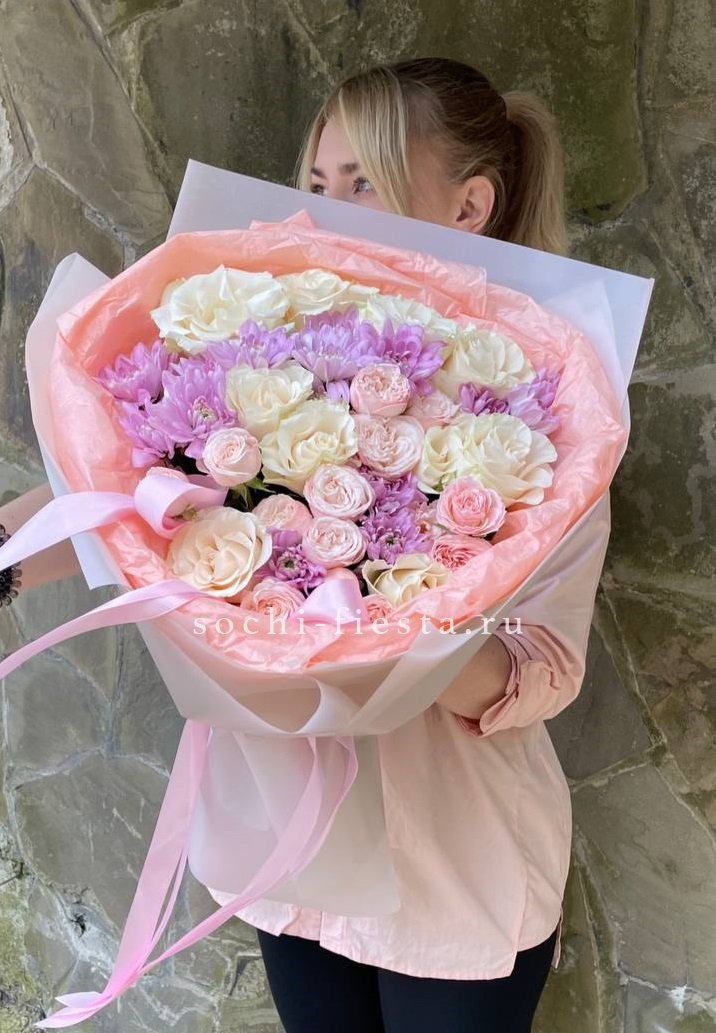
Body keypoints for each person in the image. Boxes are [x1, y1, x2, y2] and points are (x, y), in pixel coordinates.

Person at [0, 56, 608, 1033]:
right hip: (290, 859)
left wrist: (397, 632)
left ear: (468, 206)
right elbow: (126, 492)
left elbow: (545, 668)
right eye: (317, 182)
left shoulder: (546, 415)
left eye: (361, 182)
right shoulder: (260, 351)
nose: (325, 208)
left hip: (452, 871)